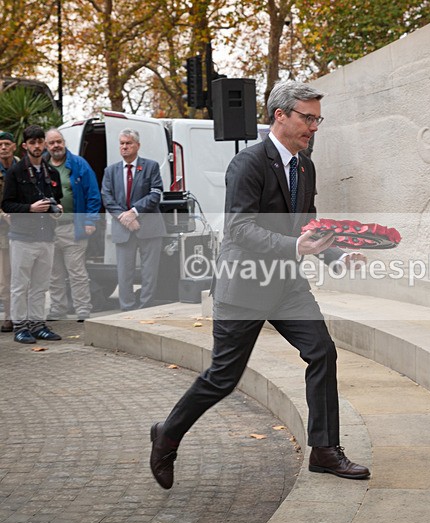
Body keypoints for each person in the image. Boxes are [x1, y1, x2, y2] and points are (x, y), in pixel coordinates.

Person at [149, 80, 370, 490]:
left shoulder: (305, 166)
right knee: (223, 377)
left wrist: (337, 255)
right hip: (244, 285)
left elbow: (308, 225)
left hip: (286, 285)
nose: (314, 126)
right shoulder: (248, 164)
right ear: (280, 116)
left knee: (321, 352)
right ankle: (167, 434)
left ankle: (324, 450)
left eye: (318, 118)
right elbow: (240, 229)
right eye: (308, 117)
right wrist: (295, 245)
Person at [1, 125, 63, 344]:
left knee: (40, 285)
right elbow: (7, 204)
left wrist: (58, 210)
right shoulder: (15, 172)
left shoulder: (52, 172)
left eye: (40, 142)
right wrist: (30, 208)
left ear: (44, 144)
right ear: (25, 145)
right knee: (20, 285)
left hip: (46, 236)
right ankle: (20, 326)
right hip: (22, 237)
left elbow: (57, 200)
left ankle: (38, 324)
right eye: (32, 142)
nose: (37, 146)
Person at [100, 129, 167, 311]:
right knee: (124, 273)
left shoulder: (150, 167)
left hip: (149, 227)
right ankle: (127, 309)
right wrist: (125, 217)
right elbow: (107, 198)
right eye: (122, 143)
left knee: (149, 273)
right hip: (123, 228)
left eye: (128, 143)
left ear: (137, 145)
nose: (124, 147)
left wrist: (135, 212)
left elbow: (155, 194)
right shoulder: (110, 171)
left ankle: (146, 308)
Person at [44, 128, 101, 322]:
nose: (56, 145)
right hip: (48, 229)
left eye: (58, 141)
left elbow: (93, 194)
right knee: (54, 274)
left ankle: (82, 310)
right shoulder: (41, 165)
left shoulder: (78, 164)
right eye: (51, 143)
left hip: (72, 227)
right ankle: (58, 309)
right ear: (46, 146)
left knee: (76, 272)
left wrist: (90, 221)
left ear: (64, 142)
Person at [0, 131, 18, 332]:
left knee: (23, 275)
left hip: (23, 228)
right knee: (5, 278)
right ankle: (9, 316)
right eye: (0, 144)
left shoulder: (23, 167)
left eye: (7, 144)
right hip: (2, 233)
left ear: (14, 146)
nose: (3, 147)